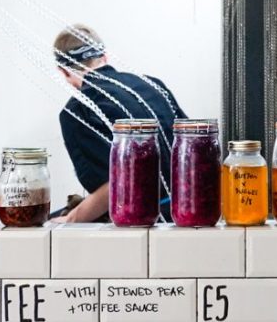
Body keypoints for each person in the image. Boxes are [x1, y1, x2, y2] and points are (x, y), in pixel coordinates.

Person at [52, 24, 186, 222]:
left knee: (52, 220)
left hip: (145, 220)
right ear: (104, 57)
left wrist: (70, 220)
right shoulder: (152, 84)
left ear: (63, 71)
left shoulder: (77, 111)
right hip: (187, 208)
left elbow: (113, 187)